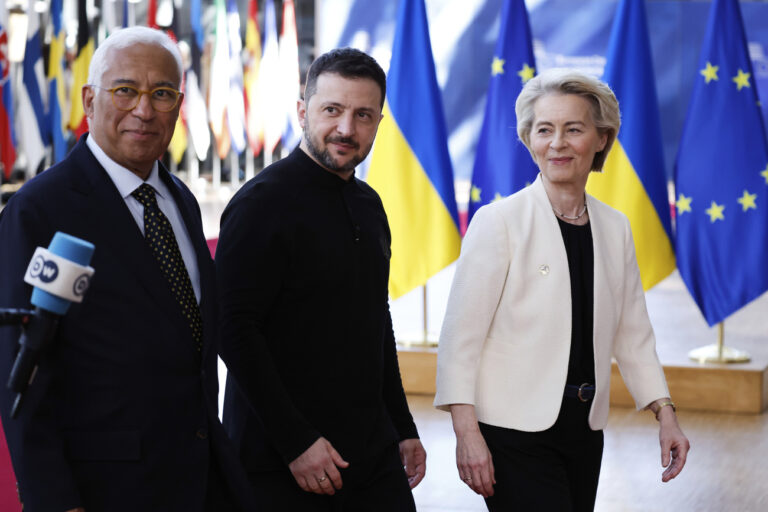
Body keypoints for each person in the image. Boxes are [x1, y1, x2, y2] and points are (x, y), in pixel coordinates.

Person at [0, 27, 254, 512]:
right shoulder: (40, 211)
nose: (144, 109)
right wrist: (54, 500)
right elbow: (22, 376)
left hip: (201, 481)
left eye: (161, 94)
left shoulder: (180, 199)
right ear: (90, 99)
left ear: (179, 106)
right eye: (125, 90)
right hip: (104, 491)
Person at [434, 68, 690, 511]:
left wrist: (665, 414)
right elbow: (460, 341)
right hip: (511, 433)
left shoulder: (615, 227)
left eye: (574, 129)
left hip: (584, 431)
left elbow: (633, 334)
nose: (557, 143)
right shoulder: (498, 223)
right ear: (528, 139)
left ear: (602, 138)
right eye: (544, 130)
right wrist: (466, 434)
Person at [216, 47, 426, 510]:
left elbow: (376, 322)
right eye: (332, 110)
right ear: (302, 111)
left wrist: (403, 426)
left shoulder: (370, 206)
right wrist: (296, 442)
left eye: (363, 114)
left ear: (378, 122)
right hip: (284, 463)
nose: (347, 129)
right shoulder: (260, 204)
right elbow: (232, 330)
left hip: (372, 456)